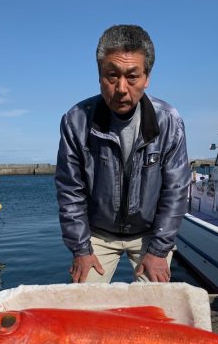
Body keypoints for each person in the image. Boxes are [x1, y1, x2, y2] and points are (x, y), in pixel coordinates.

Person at [55, 24, 190, 283]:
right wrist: (81, 249)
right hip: (96, 235)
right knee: (85, 304)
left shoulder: (169, 121)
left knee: (155, 306)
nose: (121, 88)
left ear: (147, 77)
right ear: (99, 75)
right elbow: (70, 191)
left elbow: (176, 191)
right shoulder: (76, 121)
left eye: (132, 76)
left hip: (150, 234)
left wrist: (159, 250)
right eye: (112, 75)